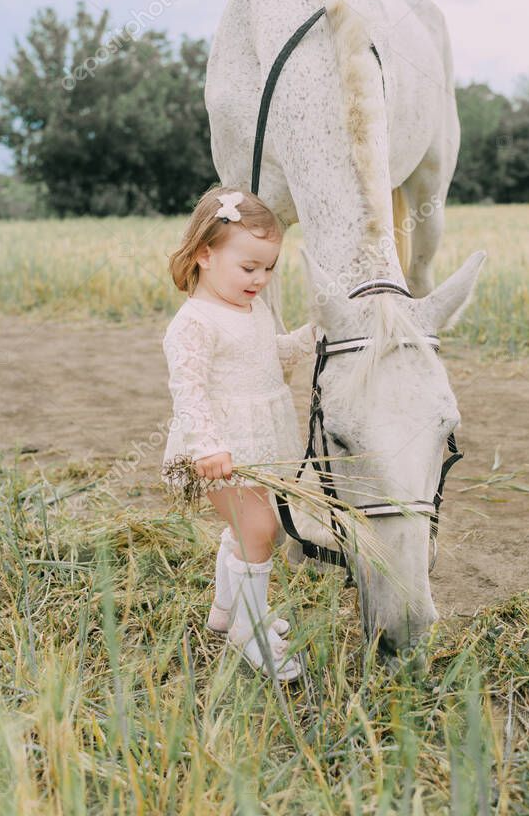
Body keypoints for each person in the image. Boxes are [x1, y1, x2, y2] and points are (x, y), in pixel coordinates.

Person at [161, 185, 317, 683]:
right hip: (218, 450)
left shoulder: (254, 310)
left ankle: (227, 611)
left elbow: (271, 357)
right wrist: (207, 446)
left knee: (248, 527)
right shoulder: (195, 322)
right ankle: (248, 632)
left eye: (268, 268)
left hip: (257, 442)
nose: (261, 279)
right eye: (248, 268)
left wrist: (314, 334)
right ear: (206, 254)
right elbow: (188, 390)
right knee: (259, 530)